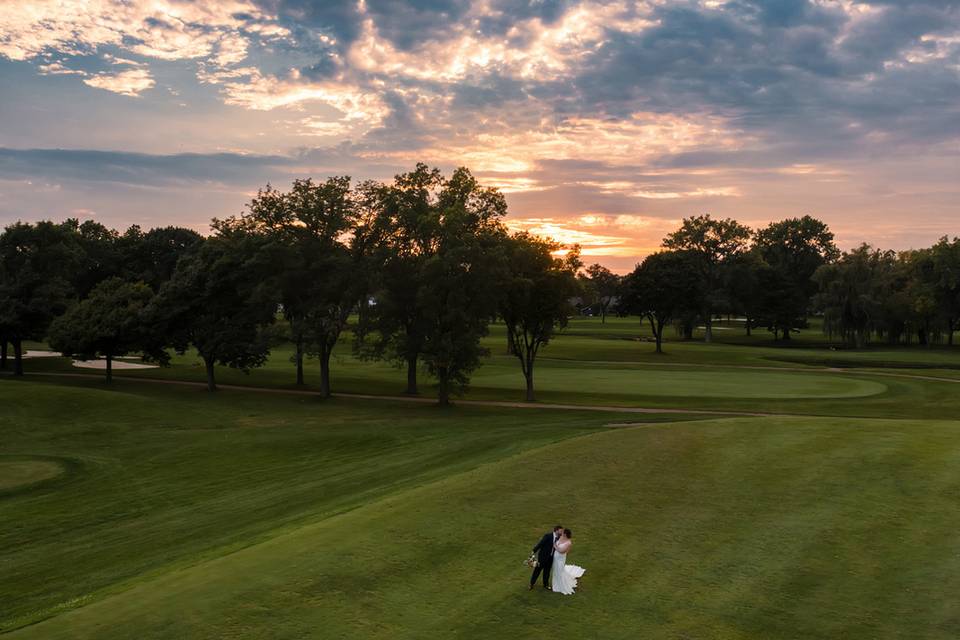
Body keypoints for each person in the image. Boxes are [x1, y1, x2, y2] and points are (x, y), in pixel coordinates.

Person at [551, 528, 586, 595]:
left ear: (566, 534)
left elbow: (562, 551)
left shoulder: (568, 543)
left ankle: (560, 585)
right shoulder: (561, 537)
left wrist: (555, 546)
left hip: (560, 558)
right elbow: (556, 541)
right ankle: (556, 582)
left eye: (563, 533)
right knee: (555, 570)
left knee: (559, 570)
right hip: (555, 557)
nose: (562, 533)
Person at [529, 525, 563, 590]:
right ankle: (531, 584)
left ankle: (546, 585)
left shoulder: (559, 538)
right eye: (560, 531)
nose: (561, 532)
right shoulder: (548, 536)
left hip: (551, 558)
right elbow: (541, 543)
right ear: (556, 530)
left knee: (547, 572)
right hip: (543, 557)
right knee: (537, 570)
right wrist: (534, 550)